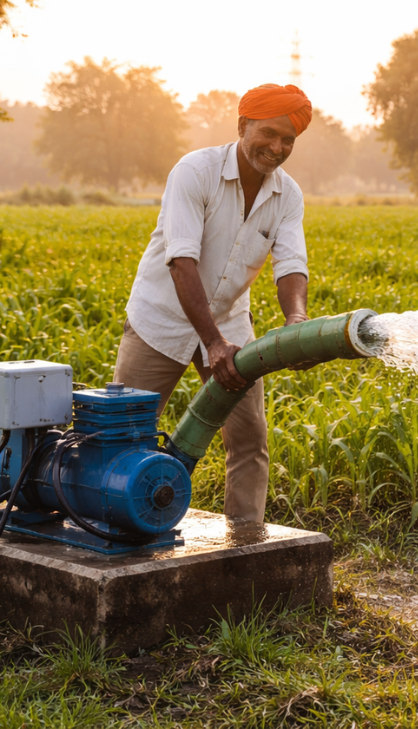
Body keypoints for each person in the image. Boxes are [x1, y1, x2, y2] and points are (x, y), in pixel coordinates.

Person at [112, 84, 314, 525]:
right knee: (127, 437)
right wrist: (211, 342)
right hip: (159, 321)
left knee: (248, 439)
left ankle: (245, 538)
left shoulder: (288, 195)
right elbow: (182, 262)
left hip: (231, 322)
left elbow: (291, 264)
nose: (277, 148)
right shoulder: (194, 171)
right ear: (243, 126)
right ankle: (121, 532)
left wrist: (296, 320)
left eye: (288, 140)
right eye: (270, 134)